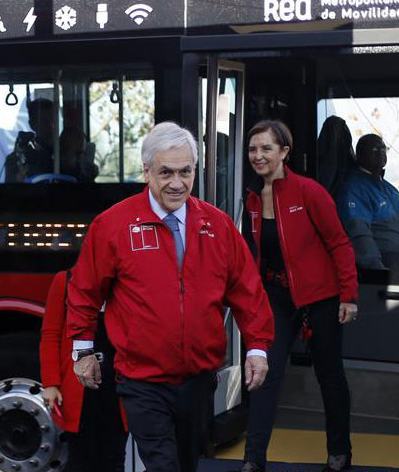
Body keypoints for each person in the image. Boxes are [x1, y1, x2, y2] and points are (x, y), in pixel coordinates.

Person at [66, 121, 275, 472]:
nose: (177, 183)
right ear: (146, 171)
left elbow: (247, 290)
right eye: (166, 172)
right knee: (163, 466)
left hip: (198, 380)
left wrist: (257, 348)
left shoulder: (218, 225)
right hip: (142, 381)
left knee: (186, 464)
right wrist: (82, 350)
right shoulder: (114, 225)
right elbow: (85, 290)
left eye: (186, 172)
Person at [241, 119, 359, 472]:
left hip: (319, 297)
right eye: (252, 149)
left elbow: (339, 243)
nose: (258, 156)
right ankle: (253, 459)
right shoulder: (250, 197)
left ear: (284, 152)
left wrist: (348, 295)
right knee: (263, 373)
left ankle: (339, 452)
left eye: (266, 149)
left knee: (329, 374)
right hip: (275, 297)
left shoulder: (309, 192)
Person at [40, 270, 125, 472]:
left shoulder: (125, 281)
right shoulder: (65, 280)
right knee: (79, 459)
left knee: (114, 458)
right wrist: (51, 383)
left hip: (118, 386)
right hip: (78, 387)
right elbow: (50, 334)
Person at [335, 133, 399, 270]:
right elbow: (359, 234)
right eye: (375, 150)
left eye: (383, 149)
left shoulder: (390, 189)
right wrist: (376, 269)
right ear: (360, 155)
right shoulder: (354, 189)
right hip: (384, 260)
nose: (381, 153)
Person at [4, 98, 57, 182]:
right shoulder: (19, 159)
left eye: (54, 120)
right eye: (44, 121)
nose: (51, 125)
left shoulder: (66, 151)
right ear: (32, 125)